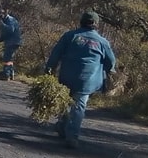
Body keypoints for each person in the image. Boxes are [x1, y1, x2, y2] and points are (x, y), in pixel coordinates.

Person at [44, 11, 116, 149]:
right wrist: (109, 70)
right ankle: (72, 136)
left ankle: (61, 126)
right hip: (87, 81)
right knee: (79, 107)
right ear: (96, 24)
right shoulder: (102, 42)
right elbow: (111, 61)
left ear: (81, 21)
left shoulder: (70, 36)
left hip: (67, 76)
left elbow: (56, 53)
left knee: (65, 101)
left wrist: (49, 69)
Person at [0, 8, 22, 80]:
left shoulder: (10, 20)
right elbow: (6, 34)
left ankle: (6, 75)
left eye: (0, 17)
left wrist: (2, 24)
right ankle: (11, 74)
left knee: (6, 58)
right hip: (13, 41)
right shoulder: (7, 20)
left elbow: (10, 30)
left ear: (4, 15)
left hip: (13, 41)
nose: (0, 19)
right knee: (9, 58)